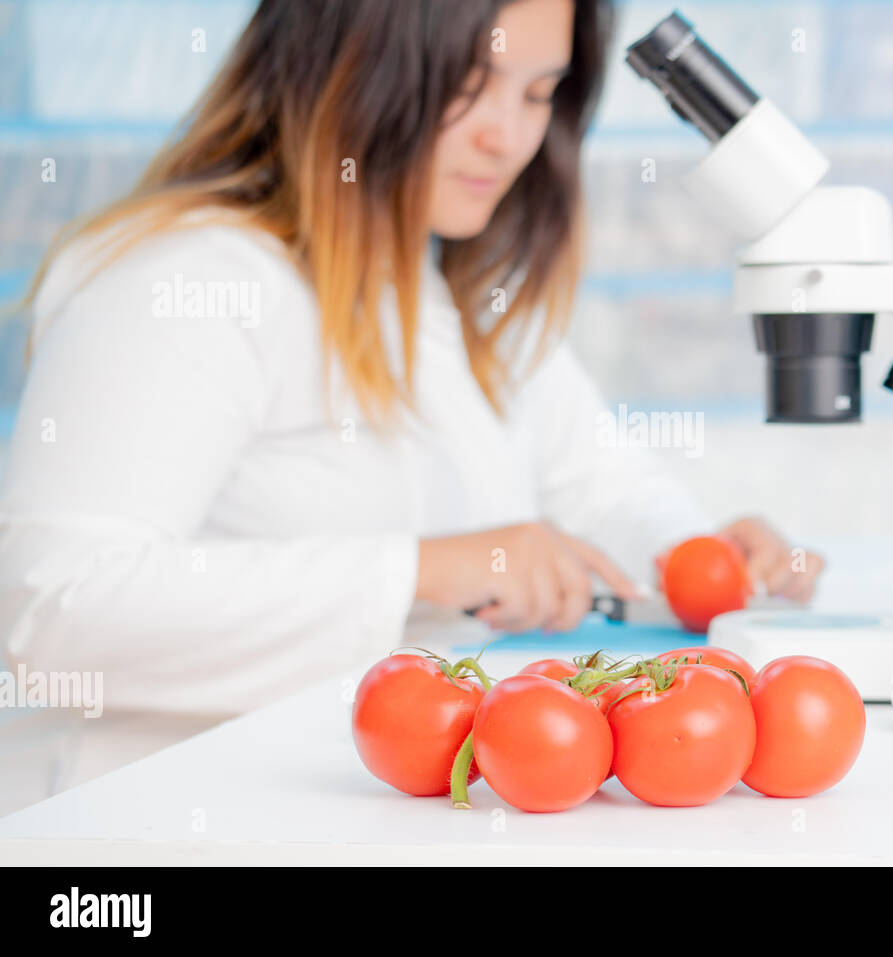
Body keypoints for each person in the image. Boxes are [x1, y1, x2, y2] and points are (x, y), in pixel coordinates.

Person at [0, 0, 824, 790]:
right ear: (341, 65)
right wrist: (426, 568)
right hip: (149, 822)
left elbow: (598, 483)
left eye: (538, 94)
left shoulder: (450, 284)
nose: (507, 137)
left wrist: (699, 556)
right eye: (466, 84)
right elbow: (51, 612)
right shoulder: (186, 283)